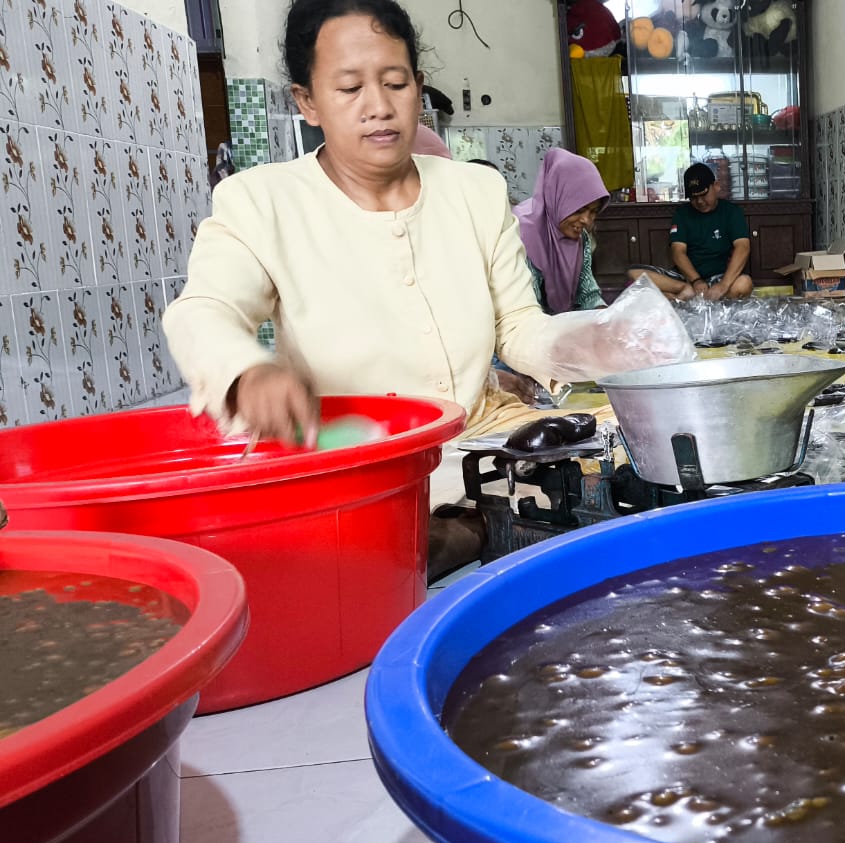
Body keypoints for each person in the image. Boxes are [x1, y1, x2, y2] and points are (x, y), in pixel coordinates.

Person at [162, 0, 686, 575]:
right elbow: (203, 310)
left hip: (481, 440)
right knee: (342, 563)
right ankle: (462, 535)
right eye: (349, 88)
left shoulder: (474, 193)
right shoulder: (261, 201)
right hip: (356, 460)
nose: (379, 107)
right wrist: (246, 371)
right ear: (307, 102)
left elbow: (518, 327)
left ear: (418, 85)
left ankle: (467, 532)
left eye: (395, 82)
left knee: (654, 477)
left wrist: (599, 340)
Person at [627, 162, 754, 301]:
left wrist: (723, 285)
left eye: (703, 194)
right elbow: (677, 251)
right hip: (686, 280)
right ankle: (684, 292)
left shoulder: (731, 212)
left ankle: (681, 300)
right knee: (633, 273)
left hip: (720, 278)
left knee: (744, 283)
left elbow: (743, 247)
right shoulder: (682, 214)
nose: (699, 201)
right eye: (693, 197)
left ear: (716, 186)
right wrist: (695, 280)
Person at [513, 148, 608, 314]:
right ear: (557, 198)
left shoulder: (580, 238)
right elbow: (525, 308)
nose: (586, 220)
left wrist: (605, 316)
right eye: (579, 210)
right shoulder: (521, 233)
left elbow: (587, 293)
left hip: (560, 326)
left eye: (593, 212)